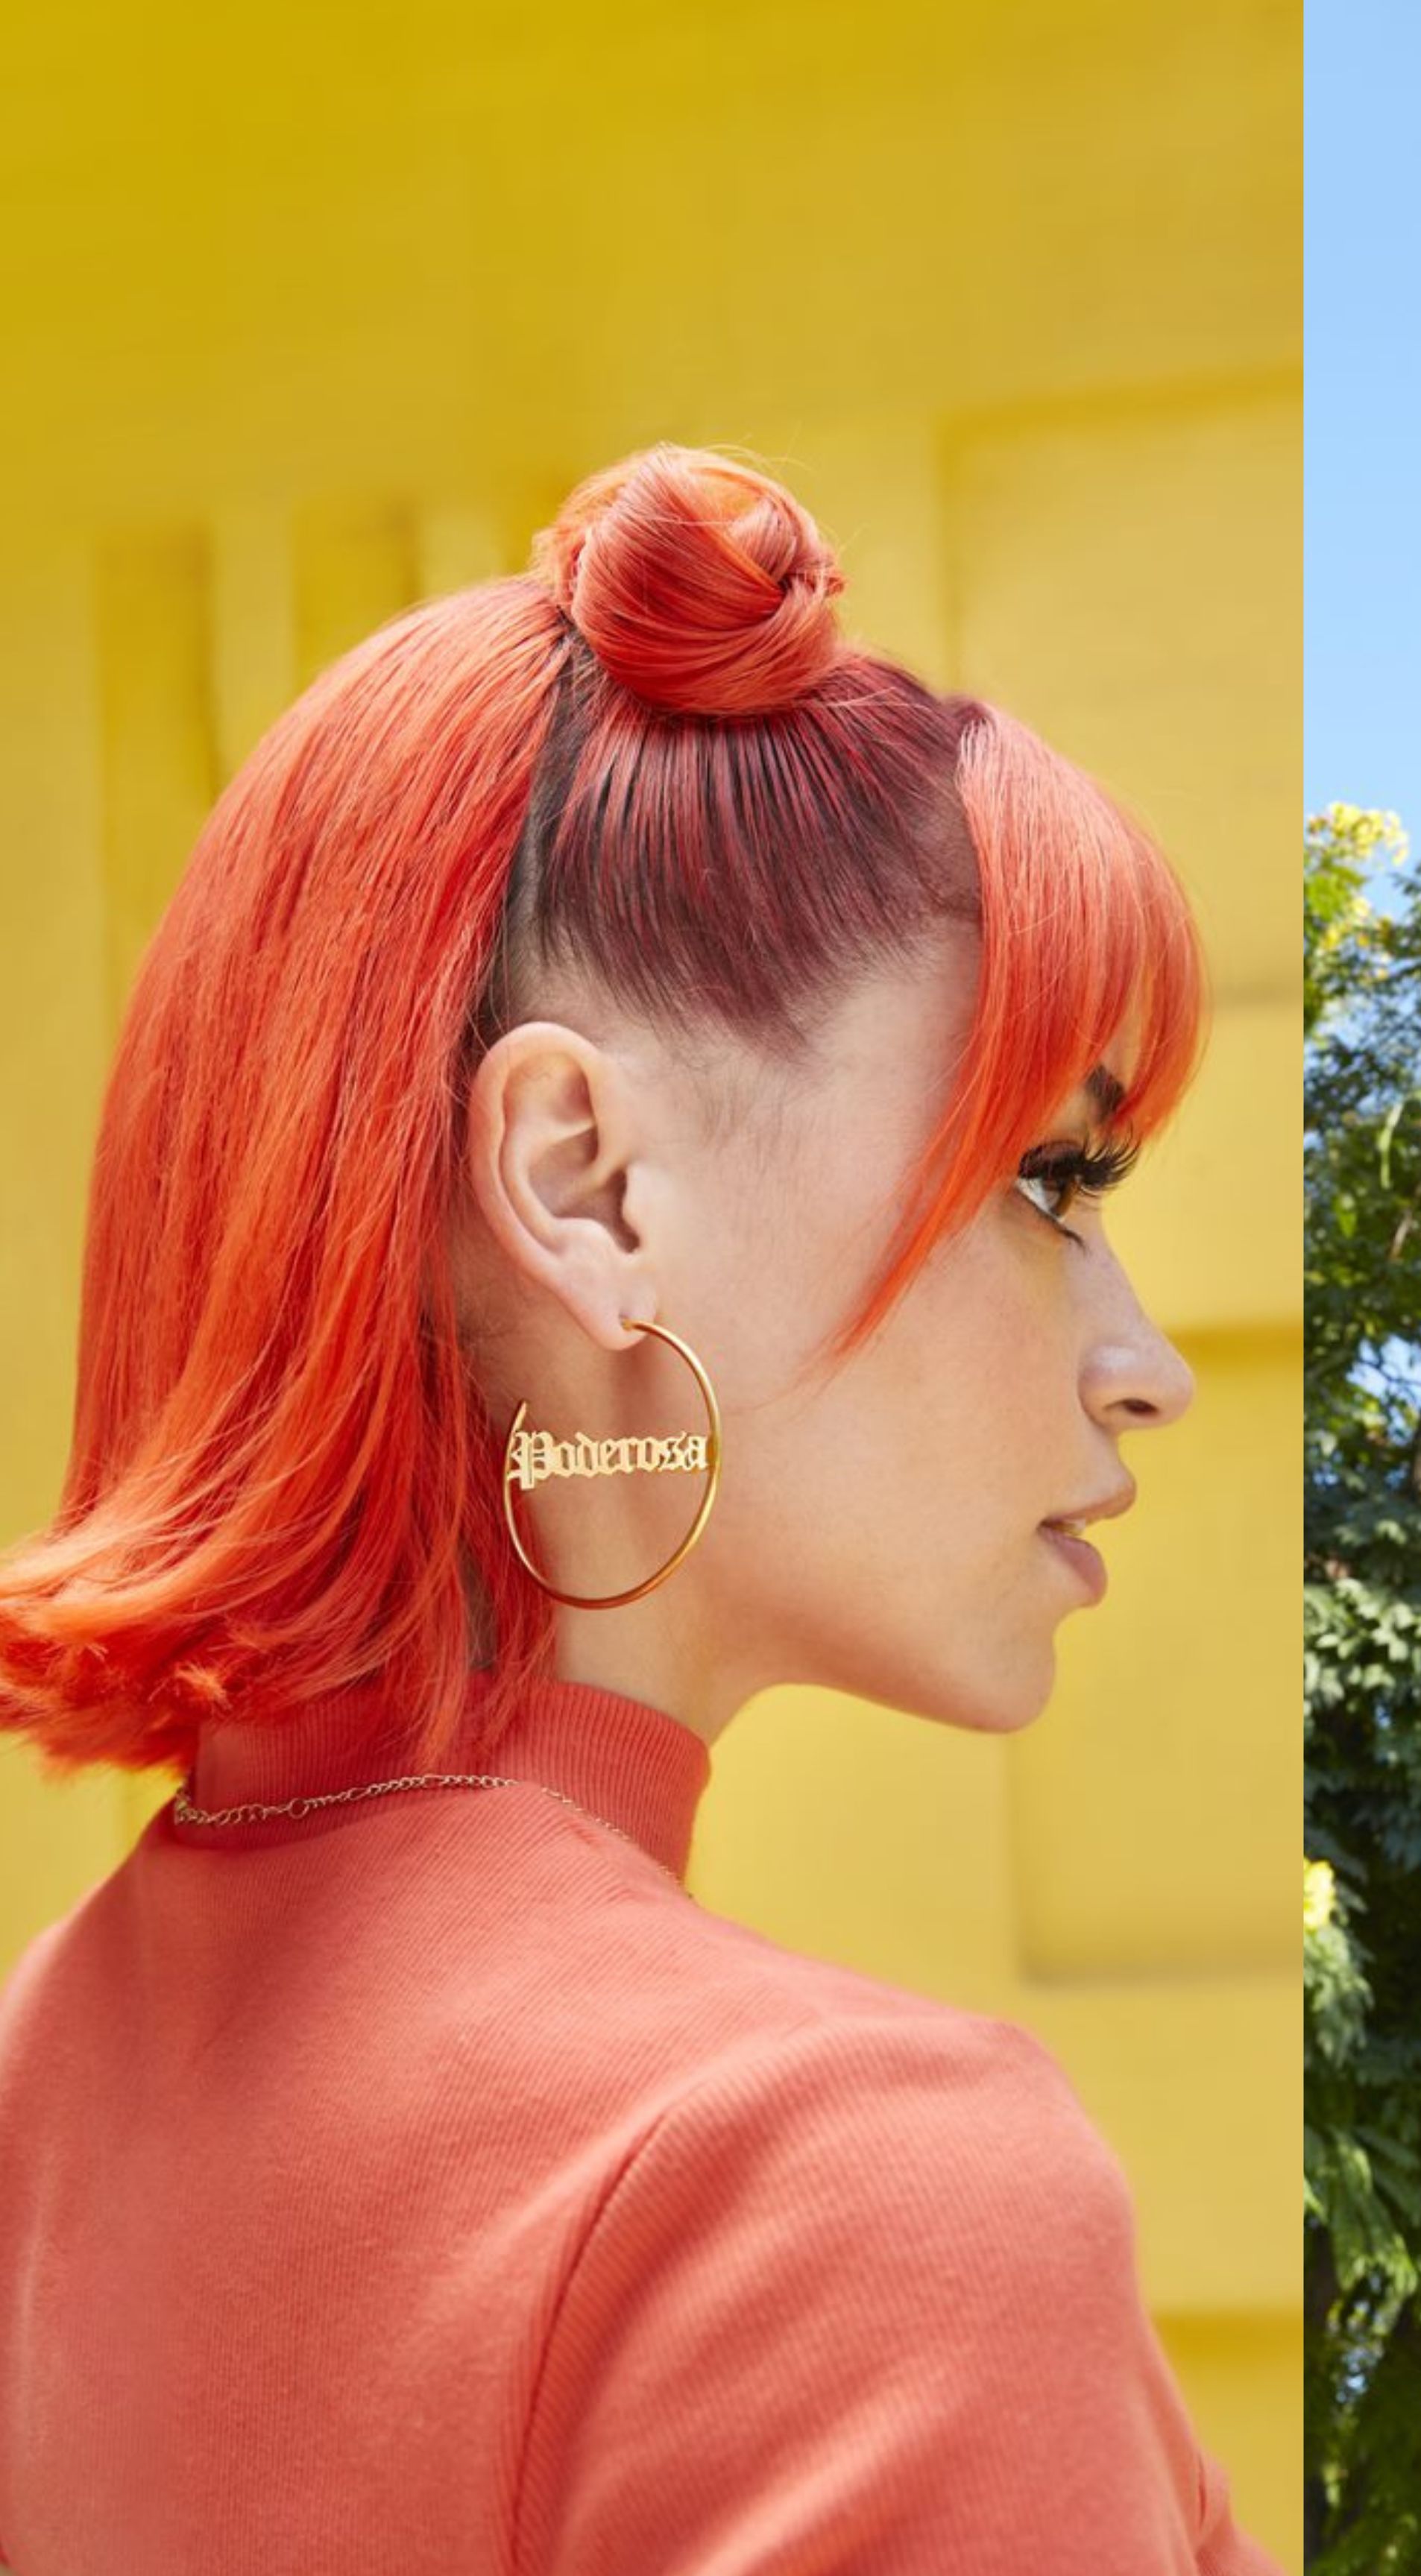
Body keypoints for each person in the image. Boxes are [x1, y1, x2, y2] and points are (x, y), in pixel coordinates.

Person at [0, 449, 1262, 2569]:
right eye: (1052, 1179)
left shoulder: (36, 2092)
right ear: (585, 1185)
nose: (1146, 1358)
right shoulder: (837, 2192)